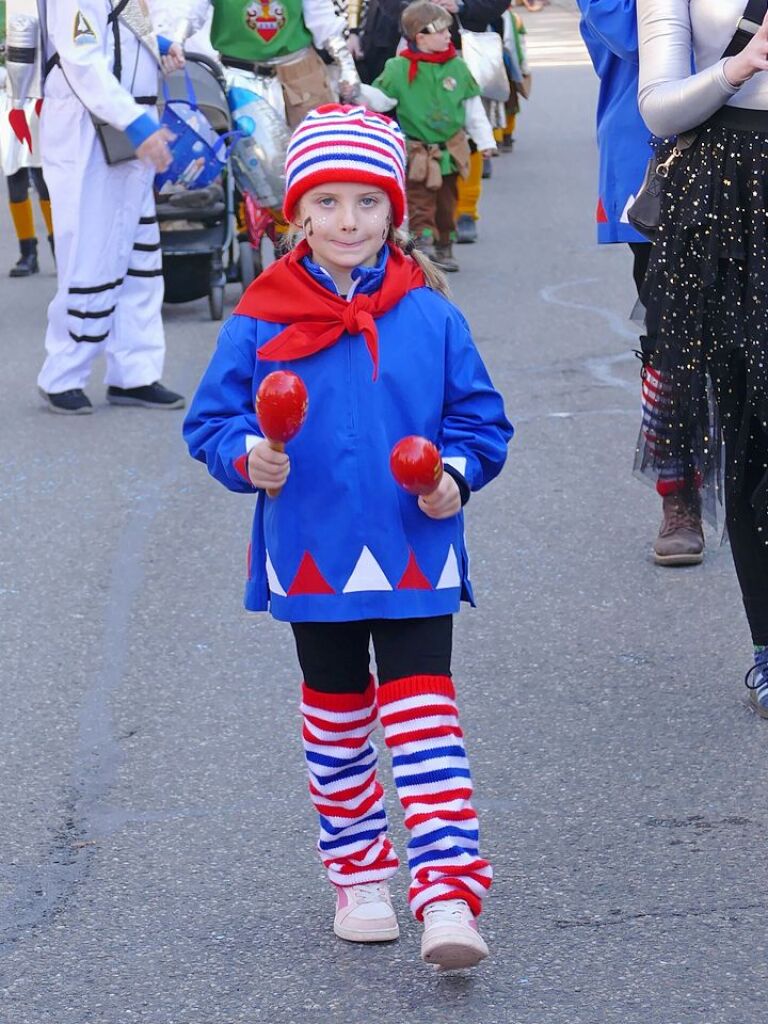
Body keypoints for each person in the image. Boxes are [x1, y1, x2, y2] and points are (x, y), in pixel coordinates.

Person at [183, 104, 513, 968]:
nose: (347, 222)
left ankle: (447, 894)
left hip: (414, 550)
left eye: (366, 204)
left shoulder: (432, 317)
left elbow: (483, 426)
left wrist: (454, 479)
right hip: (312, 555)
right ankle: (360, 876)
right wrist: (246, 455)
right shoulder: (259, 316)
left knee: (424, 720)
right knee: (335, 722)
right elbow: (210, 423)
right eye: (326, 203)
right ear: (297, 213)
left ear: (393, 212)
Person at [636, 0, 768, 713]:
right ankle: (767, 646)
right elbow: (657, 107)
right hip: (732, 204)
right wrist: (740, 65)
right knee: (749, 432)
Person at [578, 0, 705, 565]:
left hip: (754, 142)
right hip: (657, 156)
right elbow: (640, 37)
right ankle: (678, 490)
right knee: (673, 341)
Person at [35, 0, 186, 415]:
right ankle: (63, 375)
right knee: (91, 252)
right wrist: (135, 122)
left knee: (139, 257)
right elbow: (81, 57)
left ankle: (134, 374)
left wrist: (158, 43)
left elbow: (113, 25)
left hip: (127, 123)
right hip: (89, 126)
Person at [361, 0, 496, 272]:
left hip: (450, 150)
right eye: (442, 31)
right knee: (420, 201)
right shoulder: (398, 69)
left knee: (448, 202)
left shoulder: (457, 68)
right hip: (418, 152)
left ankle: (444, 245)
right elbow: (382, 100)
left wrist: (485, 141)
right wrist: (355, 91)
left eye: (448, 31)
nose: (449, 36)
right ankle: (423, 249)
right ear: (420, 37)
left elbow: (472, 109)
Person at [172, 0, 360, 128]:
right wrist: (176, 41)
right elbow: (189, 11)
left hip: (300, 76)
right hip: (240, 79)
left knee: (315, 153)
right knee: (250, 168)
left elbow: (322, 20)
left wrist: (346, 65)